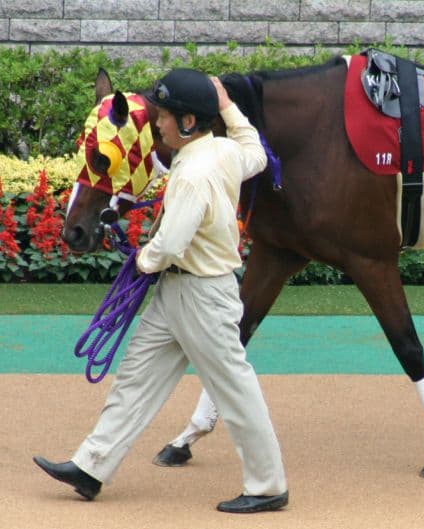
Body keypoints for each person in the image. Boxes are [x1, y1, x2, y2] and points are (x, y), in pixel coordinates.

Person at [33, 68, 289, 514]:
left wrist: (142, 260)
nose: (160, 124)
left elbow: (169, 244)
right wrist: (227, 104)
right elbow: (256, 153)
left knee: (234, 390)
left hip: (202, 297)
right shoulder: (225, 151)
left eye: (167, 117)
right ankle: (91, 466)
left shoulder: (192, 175)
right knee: (137, 377)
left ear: (189, 123)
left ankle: (268, 486)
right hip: (178, 294)